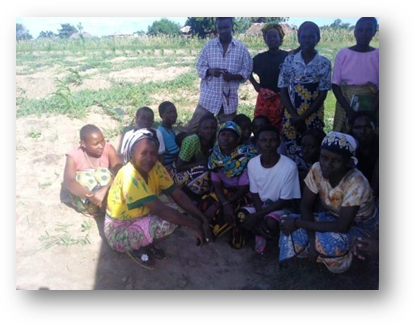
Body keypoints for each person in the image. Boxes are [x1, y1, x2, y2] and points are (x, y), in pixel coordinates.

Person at [105, 129, 211, 270]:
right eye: (143, 153)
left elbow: (178, 195)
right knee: (168, 222)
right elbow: (160, 210)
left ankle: (145, 242)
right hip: (119, 230)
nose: (149, 158)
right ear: (132, 154)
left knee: (179, 211)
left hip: (140, 216)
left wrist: (202, 219)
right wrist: (195, 224)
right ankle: (135, 247)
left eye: (153, 153)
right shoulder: (129, 176)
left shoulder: (155, 167)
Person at [279, 132, 378, 273]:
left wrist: (298, 223)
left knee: (327, 242)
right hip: (332, 218)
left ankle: (350, 261)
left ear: (349, 162)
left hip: (361, 226)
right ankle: (315, 251)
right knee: (285, 220)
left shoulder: (356, 182)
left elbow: (342, 227)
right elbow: (305, 206)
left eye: (336, 160)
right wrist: (312, 239)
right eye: (324, 158)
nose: (327, 165)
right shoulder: (316, 169)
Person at [185, 17, 253, 133]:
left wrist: (232, 76)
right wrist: (210, 71)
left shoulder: (241, 49)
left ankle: (218, 150)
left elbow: (247, 71)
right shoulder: (209, 46)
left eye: (226, 27)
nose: (223, 31)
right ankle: (188, 148)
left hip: (229, 99)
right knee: (194, 128)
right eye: (220, 28)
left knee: (227, 132)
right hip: (209, 97)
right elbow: (200, 67)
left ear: (232, 27)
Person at [240, 125, 301, 253]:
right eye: (263, 140)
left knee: (271, 221)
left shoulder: (289, 166)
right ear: (257, 143)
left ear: (278, 143)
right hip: (260, 205)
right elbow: (255, 193)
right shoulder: (252, 163)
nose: (268, 144)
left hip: (281, 207)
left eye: (272, 140)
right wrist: (258, 214)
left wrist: (258, 216)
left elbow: (284, 200)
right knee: (241, 215)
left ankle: (272, 243)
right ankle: (261, 234)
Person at [278, 21, 331, 160]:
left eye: (311, 36)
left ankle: (311, 179)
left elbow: (323, 93)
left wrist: (303, 116)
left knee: (312, 150)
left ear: (318, 38)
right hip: (291, 113)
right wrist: (295, 116)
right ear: (299, 38)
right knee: (291, 150)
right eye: (304, 36)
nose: (307, 40)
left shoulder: (324, 63)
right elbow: (283, 90)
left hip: (313, 115)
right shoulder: (289, 61)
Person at [201, 121, 257, 240]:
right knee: (206, 203)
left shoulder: (246, 157)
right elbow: (216, 184)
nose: (226, 138)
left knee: (229, 211)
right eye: (223, 134)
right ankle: (207, 229)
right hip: (225, 191)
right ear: (218, 136)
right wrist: (223, 203)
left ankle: (230, 232)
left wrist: (222, 204)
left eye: (231, 135)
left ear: (237, 140)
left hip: (244, 194)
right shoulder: (214, 155)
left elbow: (243, 189)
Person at [332, 17, 379, 133]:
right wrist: (348, 110)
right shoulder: (343, 54)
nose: (364, 33)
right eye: (360, 30)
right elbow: (335, 85)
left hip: (372, 104)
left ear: (374, 32)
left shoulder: (378, 55)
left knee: (369, 136)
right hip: (346, 104)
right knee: (345, 136)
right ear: (355, 32)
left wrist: (371, 111)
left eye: (369, 30)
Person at [63, 124, 122, 217]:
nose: (101, 146)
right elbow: (69, 181)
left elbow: (121, 171)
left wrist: (104, 190)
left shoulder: (108, 148)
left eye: (102, 140)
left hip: (107, 193)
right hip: (86, 198)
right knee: (84, 178)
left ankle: (108, 207)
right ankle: (105, 209)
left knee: (105, 176)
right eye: (96, 144)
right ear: (83, 143)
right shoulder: (74, 155)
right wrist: (91, 196)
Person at [250, 23, 288, 130]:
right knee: (261, 124)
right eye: (269, 37)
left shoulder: (287, 57)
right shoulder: (259, 58)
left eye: (275, 36)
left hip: (283, 98)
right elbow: (248, 71)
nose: (272, 39)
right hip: (264, 99)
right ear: (265, 39)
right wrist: (255, 85)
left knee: (281, 126)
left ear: (280, 38)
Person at [172, 115, 218, 201]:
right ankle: (189, 197)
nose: (210, 131)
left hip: (199, 172)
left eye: (213, 128)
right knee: (204, 172)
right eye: (206, 128)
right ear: (199, 130)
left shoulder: (216, 141)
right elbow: (179, 167)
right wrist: (199, 164)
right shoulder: (191, 141)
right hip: (179, 175)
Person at [349, 112, 379, 198]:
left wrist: (369, 199)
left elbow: (377, 178)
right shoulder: (346, 146)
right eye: (358, 127)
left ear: (375, 128)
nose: (363, 131)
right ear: (351, 129)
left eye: (367, 127)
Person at [157, 101, 180, 167]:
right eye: (169, 112)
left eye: (174, 111)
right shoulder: (163, 132)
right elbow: (177, 153)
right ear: (161, 115)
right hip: (169, 168)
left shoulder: (168, 128)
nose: (173, 114)